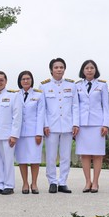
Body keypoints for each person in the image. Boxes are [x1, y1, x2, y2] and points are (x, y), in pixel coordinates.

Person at [39, 58, 79, 194]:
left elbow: (75, 106)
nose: (59, 69)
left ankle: (63, 182)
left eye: (61, 67)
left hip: (67, 125)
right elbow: (43, 108)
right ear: (51, 70)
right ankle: (52, 181)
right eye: (56, 67)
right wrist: (45, 124)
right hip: (51, 126)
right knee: (51, 156)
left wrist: (75, 123)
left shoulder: (71, 85)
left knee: (65, 156)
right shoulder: (44, 86)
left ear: (64, 69)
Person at [76, 60, 109, 193]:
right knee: (84, 154)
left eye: (92, 68)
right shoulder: (77, 85)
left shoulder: (102, 85)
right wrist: (75, 124)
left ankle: (95, 182)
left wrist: (105, 124)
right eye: (87, 68)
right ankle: (87, 182)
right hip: (82, 124)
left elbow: (106, 106)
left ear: (95, 70)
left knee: (97, 154)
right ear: (83, 71)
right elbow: (75, 106)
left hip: (97, 124)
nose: (89, 70)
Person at [0, 71, 22, 195]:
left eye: (1, 80)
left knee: (8, 160)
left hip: (7, 135)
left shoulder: (13, 96)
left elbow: (17, 116)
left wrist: (14, 135)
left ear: (6, 81)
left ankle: (9, 185)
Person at [15, 71, 45, 194]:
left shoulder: (39, 95)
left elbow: (41, 114)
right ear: (20, 81)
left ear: (32, 80)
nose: (26, 81)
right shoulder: (15, 95)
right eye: (23, 79)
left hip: (34, 132)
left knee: (34, 159)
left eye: (28, 78)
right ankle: (25, 183)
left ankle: (34, 183)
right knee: (22, 159)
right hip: (20, 133)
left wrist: (39, 133)